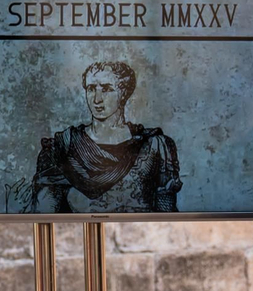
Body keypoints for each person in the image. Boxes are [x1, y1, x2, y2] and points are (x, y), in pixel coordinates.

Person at [30, 59, 181, 212]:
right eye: (91, 89)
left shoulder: (154, 146)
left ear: (124, 94)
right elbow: (45, 215)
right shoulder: (62, 148)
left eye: (107, 89)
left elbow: (167, 216)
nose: (97, 99)